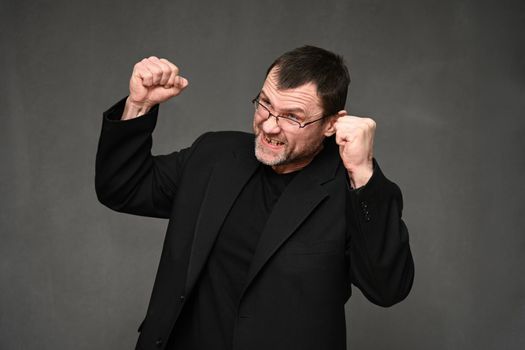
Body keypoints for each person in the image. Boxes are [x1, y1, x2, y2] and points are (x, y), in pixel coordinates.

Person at [95, 45, 414, 350]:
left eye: (292, 117)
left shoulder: (353, 190)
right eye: (265, 104)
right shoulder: (213, 156)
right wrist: (138, 106)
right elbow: (122, 188)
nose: (270, 126)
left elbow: (387, 289)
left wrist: (361, 171)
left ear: (331, 124)